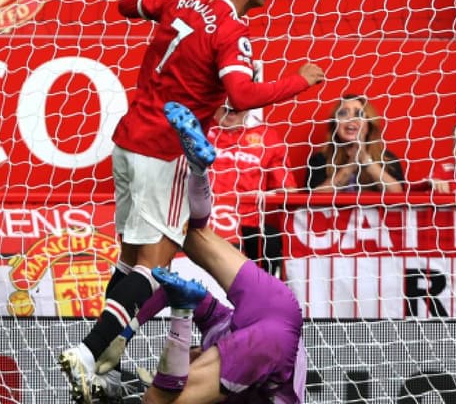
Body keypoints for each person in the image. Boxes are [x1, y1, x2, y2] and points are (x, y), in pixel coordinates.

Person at [57, 0, 325, 403]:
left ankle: (106, 361)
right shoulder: (230, 29)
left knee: (129, 260)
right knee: (155, 265)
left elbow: (127, 3)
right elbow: (239, 96)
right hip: (164, 151)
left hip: (127, 139)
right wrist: (300, 80)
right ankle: (86, 352)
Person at [96, 104, 306, 404]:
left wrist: (124, 333)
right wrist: (125, 335)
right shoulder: (222, 351)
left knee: (188, 231)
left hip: (279, 308)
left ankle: (195, 171)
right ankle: (193, 169)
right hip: (272, 330)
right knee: (159, 401)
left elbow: (173, 292)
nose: (186, 361)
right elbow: (175, 296)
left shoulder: (215, 334)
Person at [207, 101, 295, 276]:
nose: (232, 101)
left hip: (248, 227)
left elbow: (288, 192)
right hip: (200, 223)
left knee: (270, 238)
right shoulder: (195, 128)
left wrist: (270, 194)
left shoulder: (267, 137)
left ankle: (262, 298)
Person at [305, 94, 403, 194]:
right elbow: (316, 195)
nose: (351, 119)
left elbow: (397, 193)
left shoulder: (387, 158)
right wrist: (351, 165)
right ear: (335, 125)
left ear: (369, 124)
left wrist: (365, 160)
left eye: (359, 114)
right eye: (343, 113)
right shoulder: (319, 160)